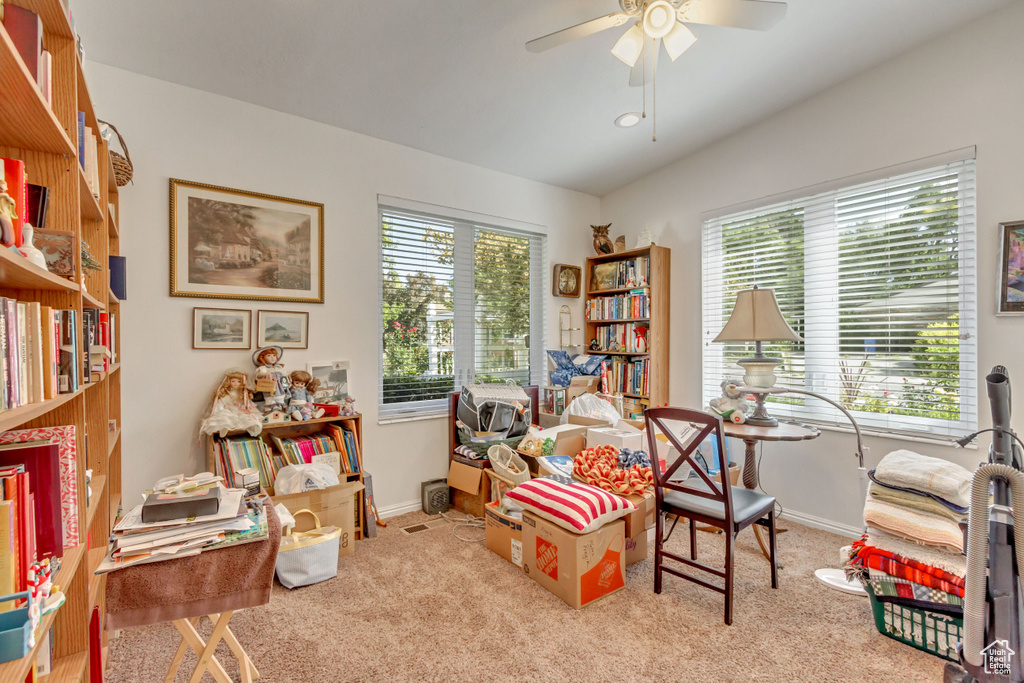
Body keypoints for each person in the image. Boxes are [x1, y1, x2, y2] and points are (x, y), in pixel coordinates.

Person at [200, 370, 263, 437]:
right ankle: (224, 428)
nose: (236, 383)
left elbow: (246, 403)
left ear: (242, 382)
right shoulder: (227, 394)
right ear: (229, 382)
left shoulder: (242, 394)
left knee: (248, 417)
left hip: (239, 410)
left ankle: (254, 426)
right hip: (229, 410)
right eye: (233, 381)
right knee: (225, 417)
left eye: (239, 381)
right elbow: (221, 403)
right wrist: (218, 411)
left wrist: (247, 408)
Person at [252, 346, 290, 415]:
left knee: (279, 400)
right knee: (269, 401)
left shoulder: (279, 368)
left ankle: (279, 412)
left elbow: (285, 377)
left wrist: (287, 385)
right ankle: (268, 412)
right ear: (262, 358)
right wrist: (265, 374)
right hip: (269, 389)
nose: (272, 357)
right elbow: (257, 375)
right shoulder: (263, 368)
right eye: (269, 356)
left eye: (274, 355)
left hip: (280, 389)